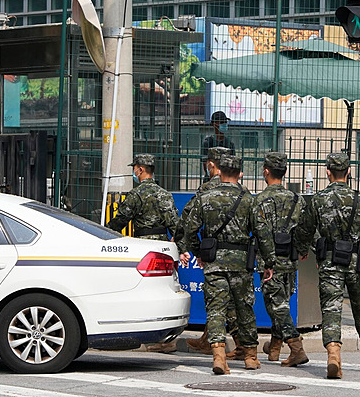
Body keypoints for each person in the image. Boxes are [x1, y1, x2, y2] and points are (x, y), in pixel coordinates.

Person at [297, 153, 360, 379]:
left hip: (330, 261)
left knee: (331, 308)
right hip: (356, 261)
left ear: (327, 172)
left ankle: (334, 354)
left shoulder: (318, 199)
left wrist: (303, 250)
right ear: (349, 172)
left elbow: (304, 229)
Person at [177, 154, 259, 374]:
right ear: (240, 174)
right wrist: (267, 260)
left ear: (219, 172)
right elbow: (262, 232)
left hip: (213, 262)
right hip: (242, 263)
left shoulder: (206, 196)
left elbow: (189, 230)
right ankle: (250, 356)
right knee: (245, 309)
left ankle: (219, 356)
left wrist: (199, 253)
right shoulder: (248, 198)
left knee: (216, 309)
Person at [158, 146, 242, 359]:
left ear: (212, 165)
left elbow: (188, 217)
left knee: (217, 300)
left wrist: (182, 243)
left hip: (213, 252)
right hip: (240, 254)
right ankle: (222, 342)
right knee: (233, 299)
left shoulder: (207, 189)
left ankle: (230, 345)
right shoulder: (239, 188)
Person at [251, 152, 309, 367]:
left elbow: (260, 232)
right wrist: (302, 249)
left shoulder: (260, 199)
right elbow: (305, 229)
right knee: (282, 300)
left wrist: (267, 262)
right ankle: (274, 349)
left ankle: (296, 347)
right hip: (290, 260)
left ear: (266, 171)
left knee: (276, 305)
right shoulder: (297, 199)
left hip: (270, 261)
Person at [105, 153, 179, 241]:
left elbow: (121, 220)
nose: (133, 171)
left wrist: (104, 233)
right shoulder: (165, 194)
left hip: (143, 242)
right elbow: (174, 223)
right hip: (163, 243)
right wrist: (182, 248)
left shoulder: (136, 194)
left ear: (140, 170)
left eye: (134, 168)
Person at [201, 111, 235, 183]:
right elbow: (205, 164)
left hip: (226, 180)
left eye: (225, 122)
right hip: (210, 180)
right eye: (221, 122)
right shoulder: (207, 142)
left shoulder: (229, 143)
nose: (224, 124)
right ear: (214, 124)